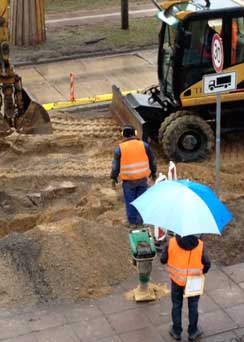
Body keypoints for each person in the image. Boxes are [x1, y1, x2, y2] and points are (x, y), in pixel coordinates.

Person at [160, 234, 211, 341]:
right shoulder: (200, 245)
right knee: (193, 305)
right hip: (194, 281)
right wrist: (201, 272)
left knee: (176, 304)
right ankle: (193, 332)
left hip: (176, 280)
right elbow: (207, 263)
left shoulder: (172, 242)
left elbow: (163, 259)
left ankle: (176, 331)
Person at [110, 124, 157, 226]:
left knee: (130, 201)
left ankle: (132, 222)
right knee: (142, 201)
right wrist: (153, 172)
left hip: (129, 181)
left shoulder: (120, 148)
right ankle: (141, 222)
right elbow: (152, 160)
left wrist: (114, 177)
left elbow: (115, 165)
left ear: (123, 135)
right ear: (135, 133)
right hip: (142, 180)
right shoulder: (144, 145)